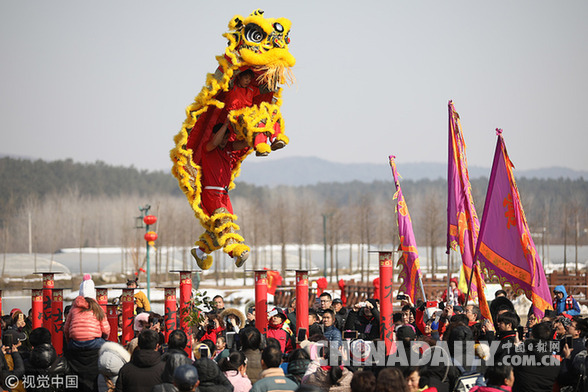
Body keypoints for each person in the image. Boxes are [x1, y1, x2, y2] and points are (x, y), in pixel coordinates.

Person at [190, 120, 250, 270]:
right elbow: (215, 142)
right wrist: (226, 124)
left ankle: (199, 251)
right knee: (225, 222)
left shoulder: (228, 148)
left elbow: (245, 143)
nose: (224, 141)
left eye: (226, 138)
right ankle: (235, 253)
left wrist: (251, 127)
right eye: (222, 137)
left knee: (215, 230)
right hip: (211, 194)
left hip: (224, 194)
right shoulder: (208, 148)